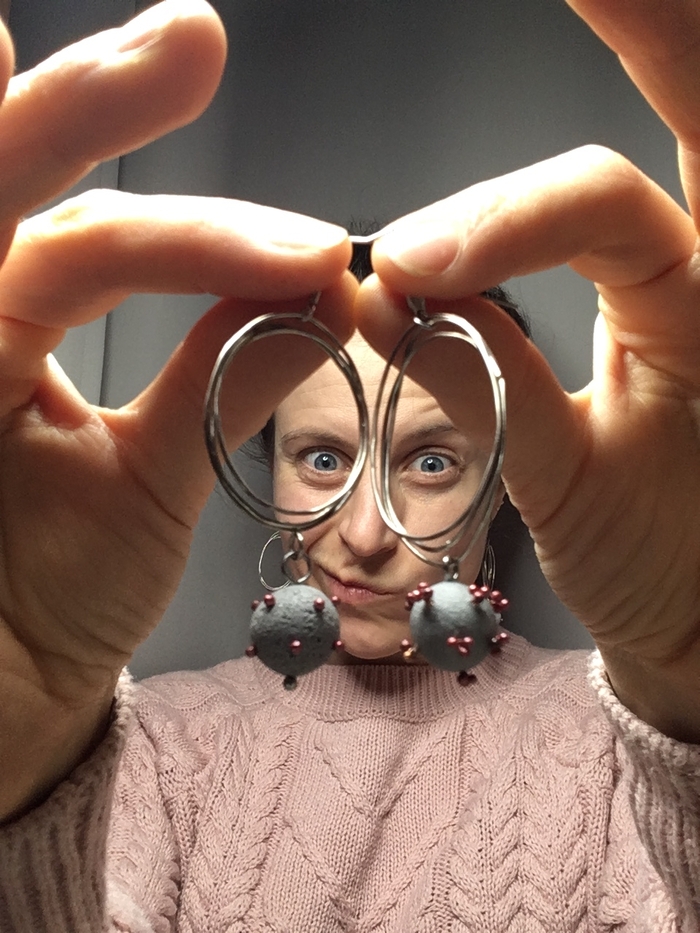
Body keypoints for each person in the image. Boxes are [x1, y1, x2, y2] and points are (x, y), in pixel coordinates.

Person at [0, 0, 699, 930]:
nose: (365, 535)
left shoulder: (631, 744)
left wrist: (688, 684)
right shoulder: (150, 753)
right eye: (323, 456)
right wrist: (22, 787)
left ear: (507, 485)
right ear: (266, 466)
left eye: (433, 462)